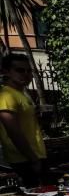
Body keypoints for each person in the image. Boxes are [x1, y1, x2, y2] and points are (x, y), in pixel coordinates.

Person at [0, 53, 47, 187]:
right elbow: (13, 132)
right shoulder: (6, 95)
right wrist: (33, 159)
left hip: (34, 156)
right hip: (22, 160)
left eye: (29, 70)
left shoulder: (21, 95)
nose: (26, 74)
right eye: (20, 70)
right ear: (6, 72)